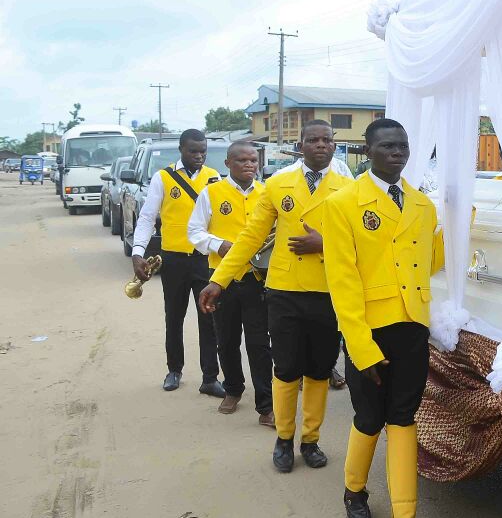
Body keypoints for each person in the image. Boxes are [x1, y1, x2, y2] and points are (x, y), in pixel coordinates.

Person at [200, 121, 352, 473]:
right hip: (284, 291)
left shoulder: (349, 189)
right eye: (312, 140)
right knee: (285, 368)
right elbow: (251, 237)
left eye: (326, 140)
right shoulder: (278, 184)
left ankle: (310, 439)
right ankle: (284, 437)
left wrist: (325, 244)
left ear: (334, 146)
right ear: (300, 145)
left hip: (329, 291)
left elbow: (362, 242)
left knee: (319, 369)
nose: (320, 145)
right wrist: (219, 279)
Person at [323, 118, 444, 518]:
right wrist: (360, 347)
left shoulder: (422, 205)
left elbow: (428, 263)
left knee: (403, 418)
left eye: (403, 146)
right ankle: (354, 490)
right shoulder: (344, 203)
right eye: (388, 146)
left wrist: (458, 226)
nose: (397, 153)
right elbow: (342, 281)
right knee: (370, 416)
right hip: (368, 331)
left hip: (411, 326)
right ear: (367, 151)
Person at [131, 128, 224, 396]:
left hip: (205, 260)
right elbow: (147, 217)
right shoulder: (163, 178)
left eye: (203, 151)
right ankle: (174, 370)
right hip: (173, 260)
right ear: (181, 149)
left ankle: (210, 377)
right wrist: (138, 252)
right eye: (193, 151)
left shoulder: (214, 177)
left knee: (209, 318)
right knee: (174, 316)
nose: (199, 156)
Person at [186, 142, 273, 424]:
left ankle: (266, 405)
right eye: (242, 160)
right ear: (227, 164)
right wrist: (218, 244)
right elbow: (194, 231)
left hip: (257, 279)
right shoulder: (211, 193)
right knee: (226, 340)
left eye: (253, 160)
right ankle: (233, 389)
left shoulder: (267, 193)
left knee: (259, 344)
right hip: (222, 280)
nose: (249, 165)